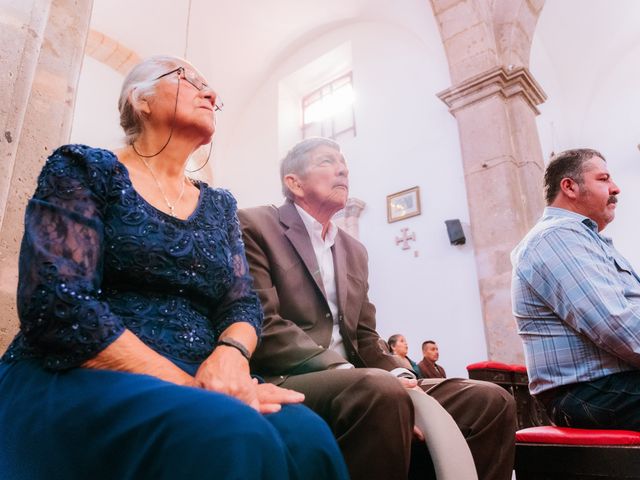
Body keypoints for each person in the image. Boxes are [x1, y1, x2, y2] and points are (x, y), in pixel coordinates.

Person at [0, 56, 348, 480]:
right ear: (140, 100)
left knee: (309, 438)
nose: (211, 93)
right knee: (229, 431)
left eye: (211, 88)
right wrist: (194, 388)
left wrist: (231, 356)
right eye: (189, 79)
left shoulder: (219, 205)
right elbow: (58, 302)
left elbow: (242, 304)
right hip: (87, 367)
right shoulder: (86, 169)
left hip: (201, 372)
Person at [239, 137, 517, 480]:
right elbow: (263, 322)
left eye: (344, 163)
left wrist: (400, 374)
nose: (342, 169)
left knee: (489, 400)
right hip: (290, 375)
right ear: (293, 182)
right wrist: (348, 371)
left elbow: (365, 335)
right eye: (327, 162)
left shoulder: (354, 249)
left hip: (365, 377)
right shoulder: (255, 225)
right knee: (378, 390)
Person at [512, 147, 640, 430]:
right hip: (588, 390)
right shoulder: (556, 236)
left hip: (612, 383)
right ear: (569, 186)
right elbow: (614, 324)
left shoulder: (585, 239)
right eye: (604, 179)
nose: (616, 188)